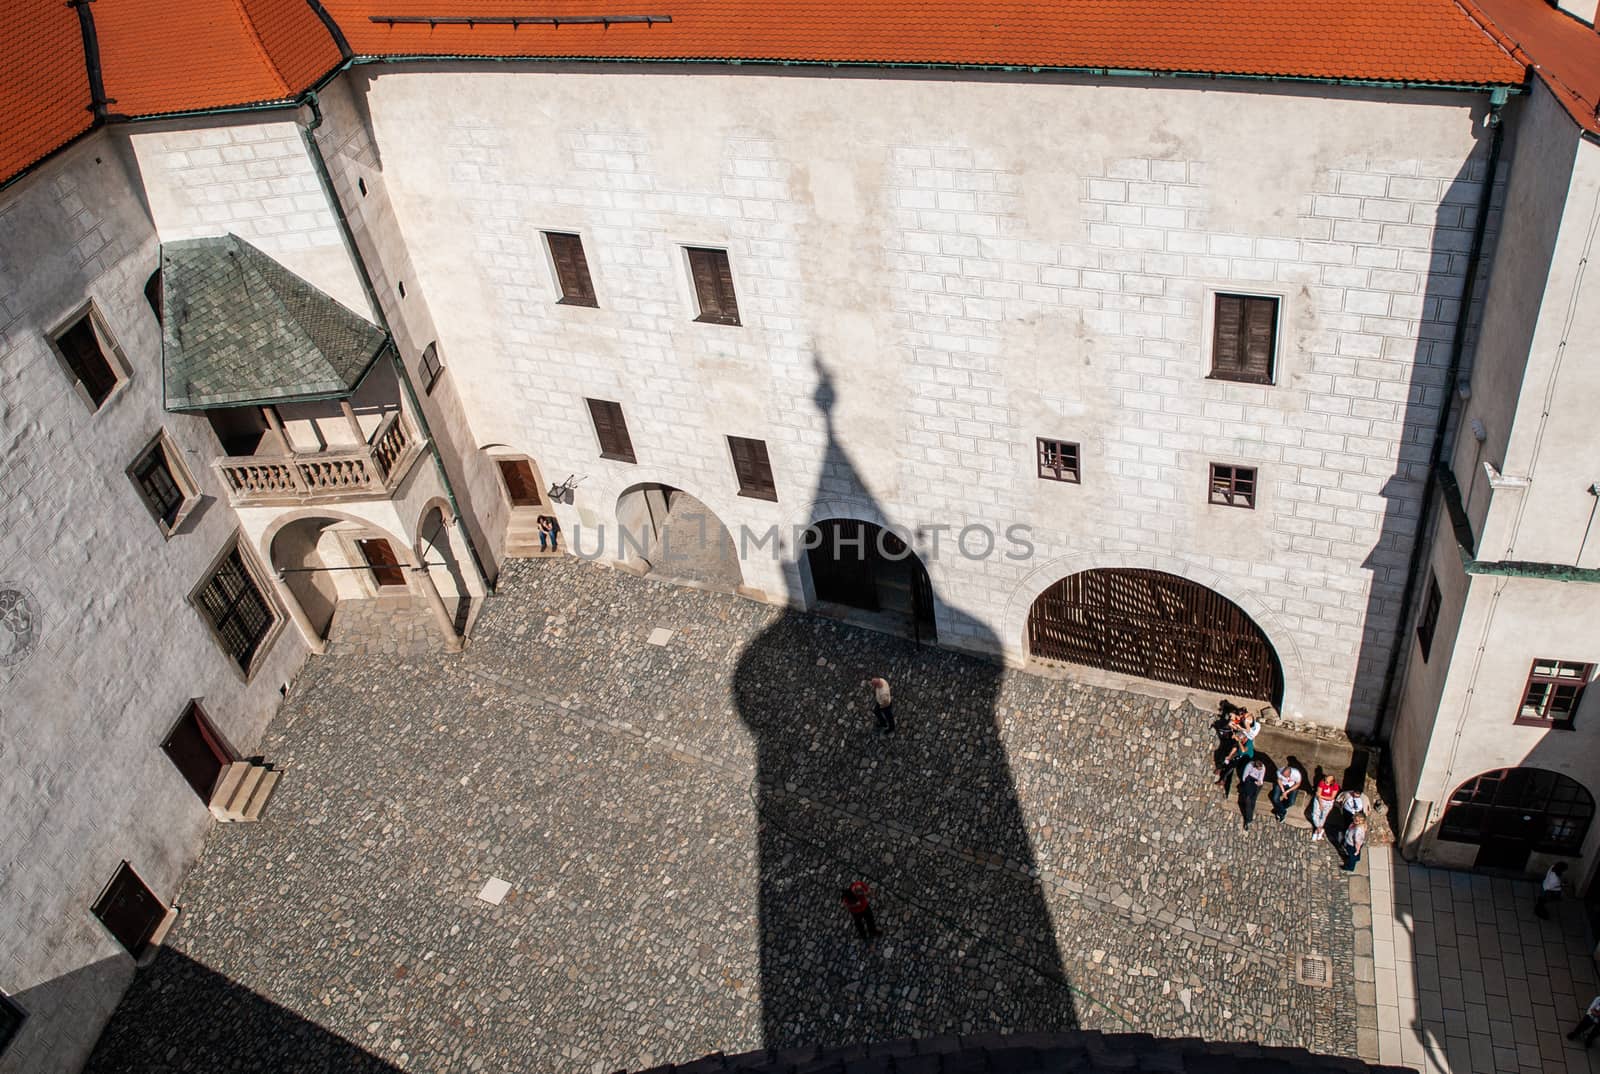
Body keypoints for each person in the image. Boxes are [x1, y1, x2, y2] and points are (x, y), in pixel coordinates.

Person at [1309, 775, 1340, 843]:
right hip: (1319, 800)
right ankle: (1319, 829)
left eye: (1327, 781)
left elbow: (1332, 797)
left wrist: (1321, 796)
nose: (1325, 782)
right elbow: (1318, 794)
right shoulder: (1322, 783)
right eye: (1325, 780)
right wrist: (1320, 804)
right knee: (1315, 815)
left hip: (1328, 802)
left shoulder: (1335, 786)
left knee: (1323, 816)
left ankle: (1317, 831)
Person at [1239, 758, 1267, 829]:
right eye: (1259, 769)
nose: (1260, 769)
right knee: (1248, 799)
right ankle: (1248, 820)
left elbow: (1261, 778)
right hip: (1249, 780)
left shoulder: (1263, 767)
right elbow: (1244, 776)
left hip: (1257, 782)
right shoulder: (1249, 765)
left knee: (1253, 799)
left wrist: (1258, 783)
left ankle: (1248, 818)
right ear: (1255, 767)